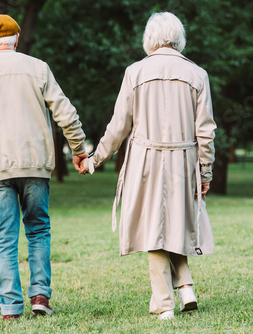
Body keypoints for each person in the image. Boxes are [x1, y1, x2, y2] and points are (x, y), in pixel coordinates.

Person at [0, 14, 87, 320]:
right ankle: (40, 297)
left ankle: (10, 307)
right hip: (34, 165)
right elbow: (67, 114)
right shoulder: (38, 68)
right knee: (38, 230)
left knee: (2, 237)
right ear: (17, 40)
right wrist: (78, 149)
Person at [79, 12, 216, 320]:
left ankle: (164, 304)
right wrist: (205, 171)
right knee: (175, 221)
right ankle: (186, 287)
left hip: (146, 160)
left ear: (150, 37)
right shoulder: (198, 74)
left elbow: (119, 126)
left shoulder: (135, 72)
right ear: (179, 37)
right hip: (184, 158)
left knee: (155, 228)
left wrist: (94, 159)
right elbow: (206, 130)